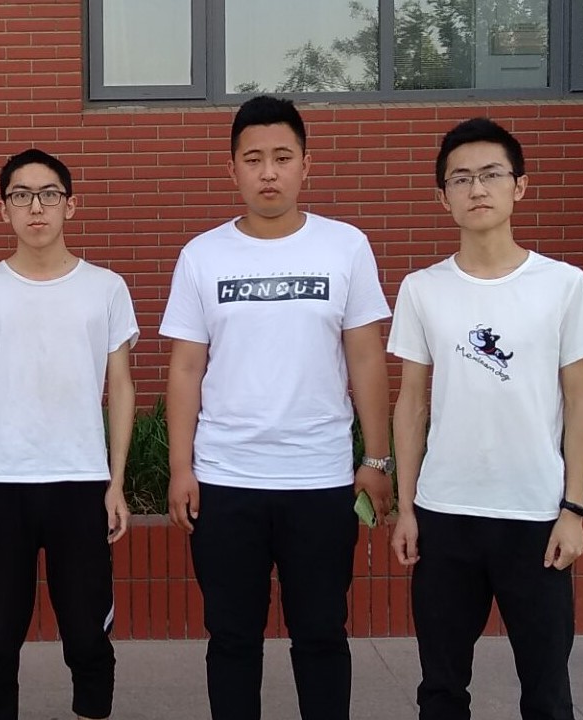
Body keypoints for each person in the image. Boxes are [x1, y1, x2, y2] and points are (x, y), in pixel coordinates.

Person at [161, 95, 394, 720]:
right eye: (254, 159)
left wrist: (377, 459)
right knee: (232, 639)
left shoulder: (345, 247)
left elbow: (367, 357)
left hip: (319, 480)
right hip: (225, 480)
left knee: (321, 635)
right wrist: (181, 468)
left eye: (283, 157)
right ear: (232, 169)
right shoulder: (202, 255)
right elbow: (185, 368)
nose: (269, 172)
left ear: (306, 165)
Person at [388, 117, 583, 720]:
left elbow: (580, 404)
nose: (476, 189)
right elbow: (411, 403)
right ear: (443, 196)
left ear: (519, 186)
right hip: (444, 515)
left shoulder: (563, 285)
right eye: (460, 178)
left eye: (490, 174)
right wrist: (406, 508)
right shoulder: (422, 289)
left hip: (534, 517)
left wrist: (573, 510)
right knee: (441, 689)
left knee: (546, 690)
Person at [0, 149, 138, 720]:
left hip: (81, 481)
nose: (36, 207)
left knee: (88, 633)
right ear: (3, 209)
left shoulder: (105, 287)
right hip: (0, 482)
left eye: (49, 194)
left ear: (70, 205)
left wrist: (116, 482)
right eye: (21, 195)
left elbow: (121, 386)